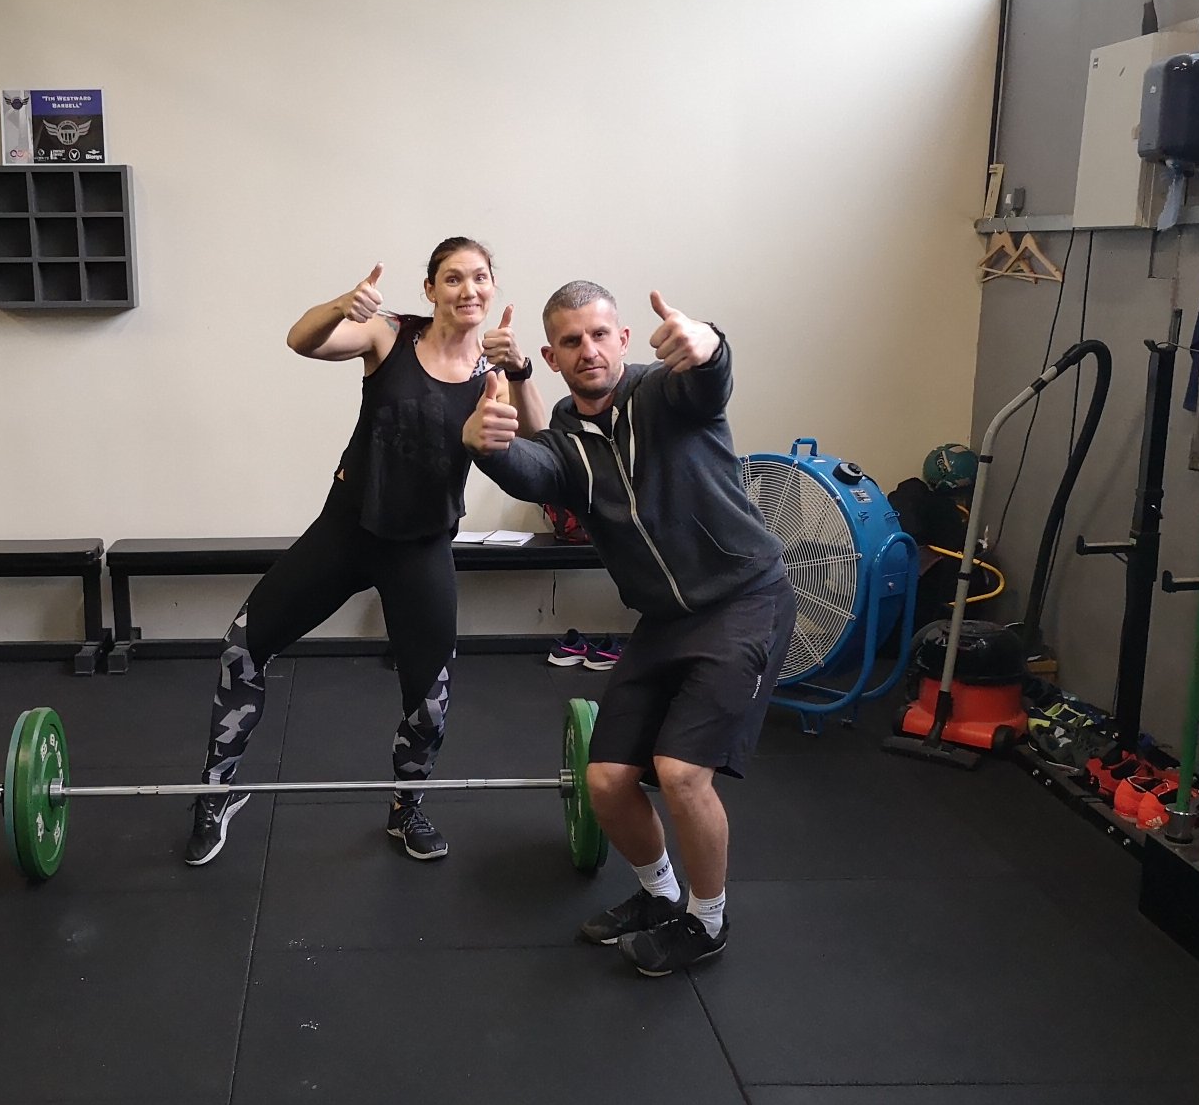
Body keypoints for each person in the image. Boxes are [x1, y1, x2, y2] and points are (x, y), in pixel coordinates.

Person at [461, 281, 793, 975]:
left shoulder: (664, 392)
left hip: (742, 600)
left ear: (622, 339)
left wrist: (708, 344)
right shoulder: (567, 437)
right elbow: (533, 471)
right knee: (608, 781)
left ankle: (708, 921)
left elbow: (709, 381)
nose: (588, 350)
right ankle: (660, 895)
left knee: (680, 773)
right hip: (664, 620)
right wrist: (485, 446)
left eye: (599, 335)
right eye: (571, 341)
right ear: (552, 357)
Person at [183, 238, 548, 866]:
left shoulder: (493, 373)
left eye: (480, 277)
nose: (468, 289)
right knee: (241, 649)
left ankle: (406, 808)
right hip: (347, 533)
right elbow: (301, 340)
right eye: (453, 278)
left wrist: (520, 373)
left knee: (430, 703)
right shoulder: (390, 334)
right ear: (430, 289)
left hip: (422, 548)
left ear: (493, 287)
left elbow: (543, 447)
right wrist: (341, 305)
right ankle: (217, 792)